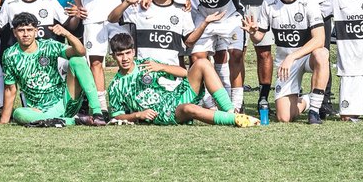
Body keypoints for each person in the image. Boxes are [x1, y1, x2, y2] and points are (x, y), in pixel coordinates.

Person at [241, 0, 330, 124]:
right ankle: (308, 99)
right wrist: (253, 32)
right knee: (284, 117)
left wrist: (292, 57)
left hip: (305, 57)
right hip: (285, 63)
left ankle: (315, 111)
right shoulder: (269, 2)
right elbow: (259, 37)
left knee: (322, 53)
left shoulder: (308, 1)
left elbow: (320, 39)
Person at [106, 32, 258, 127]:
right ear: (113, 56)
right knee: (189, 108)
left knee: (202, 63)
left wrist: (161, 67)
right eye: (120, 55)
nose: (125, 58)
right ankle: (235, 120)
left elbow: (183, 73)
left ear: (133, 52)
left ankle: (231, 111)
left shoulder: (146, 64)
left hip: (174, 96)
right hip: (162, 112)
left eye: (128, 53)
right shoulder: (115, 86)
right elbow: (116, 116)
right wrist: (138, 115)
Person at [0, 12, 108, 127]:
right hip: (38, 110)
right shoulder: (9, 55)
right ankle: (73, 121)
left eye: (29, 29)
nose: (25, 34)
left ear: (36, 31)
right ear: (14, 32)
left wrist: (67, 34)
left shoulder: (48, 45)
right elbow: (10, 89)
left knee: (77, 60)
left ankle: (97, 113)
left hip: (66, 102)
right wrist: (4, 119)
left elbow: (81, 52)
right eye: (21, 30)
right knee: (19, 113)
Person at [108, 0, 215, 65]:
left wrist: (205, 23)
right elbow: (112, 19)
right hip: (145, 71)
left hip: (171, 72)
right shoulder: (141, 6)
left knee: (203, 64)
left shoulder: (182, 9)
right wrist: (127, 2)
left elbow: (189, 42)